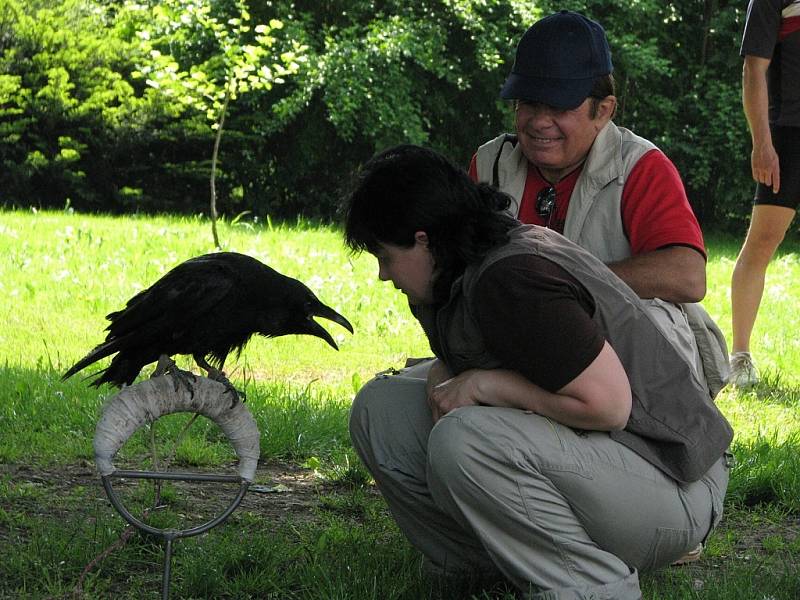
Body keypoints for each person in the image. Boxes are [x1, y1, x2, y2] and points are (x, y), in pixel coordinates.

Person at [343, 144, 733, 599]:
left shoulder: (511, 279)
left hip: (677, 483)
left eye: (385, 256)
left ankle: (590, 587)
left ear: (424, 238)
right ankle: (485, 572)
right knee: (379, 409)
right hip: (615, 464)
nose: (383, 276)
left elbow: (608, 405)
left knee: (468, 438)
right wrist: (447, 377)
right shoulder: (450, 271)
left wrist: (488, 385)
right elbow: (462, 355)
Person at [469, 10, 730, 399]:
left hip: (625, 371)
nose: (539, 122)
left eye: (559, 107)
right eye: (528, 103)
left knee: (653, 324)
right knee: (379, 409)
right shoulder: (489, 163)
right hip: (515, 356)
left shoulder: (639, 166)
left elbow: (687, 275)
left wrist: (563, 285)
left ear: (604, 110)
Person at [729, 0, 800, 387]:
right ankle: (740, 357)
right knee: (762, 243)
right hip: (788, 136)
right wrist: (762, 143)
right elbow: (754, 70)